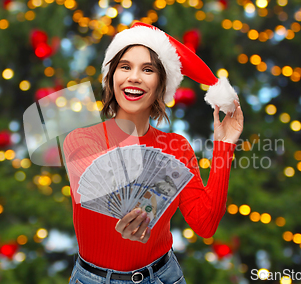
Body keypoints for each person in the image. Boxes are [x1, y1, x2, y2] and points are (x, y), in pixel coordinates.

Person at [63, 22, 244, 284]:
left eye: (147, 69)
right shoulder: (80, 141)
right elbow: (108, 198)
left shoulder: (177, 147)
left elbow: (205, 225)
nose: (134, 77)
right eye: (125, 67)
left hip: (163, 276)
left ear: (161, 84)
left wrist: (224, 145)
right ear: (111, 77)